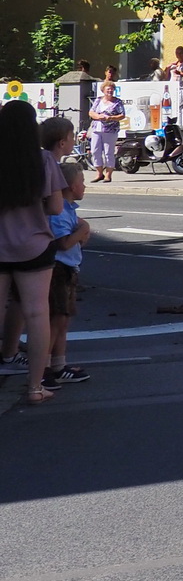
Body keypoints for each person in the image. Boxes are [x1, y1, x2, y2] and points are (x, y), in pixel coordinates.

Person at [0, 99, 66, 406]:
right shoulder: (43, 161)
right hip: (35, 245)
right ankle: (35, 388)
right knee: (37, 313)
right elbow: (55, 207)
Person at [43, 158, 90, 388]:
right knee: (56, 319)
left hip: (68, 268)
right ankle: (43, 368)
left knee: (63, 320)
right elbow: (63, 243)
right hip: (59, 269)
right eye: (82, 181)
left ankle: (58, 366)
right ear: (72, 186)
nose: (84, 186)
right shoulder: (60, 211)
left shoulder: (68, 209)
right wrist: (82, 231)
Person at [87, 78, 125, 182]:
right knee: (95, 151)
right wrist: (98, 116)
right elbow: (91, 112)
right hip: (96, 129)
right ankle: (99, 173)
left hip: (110, 130)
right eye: (108, 89)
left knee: (109, 152)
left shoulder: (117, 102)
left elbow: (122, 115)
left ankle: (108, 175)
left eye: (112, 89)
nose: (110, 91)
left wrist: (111, 118)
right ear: (103, 90)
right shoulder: (98, 100)